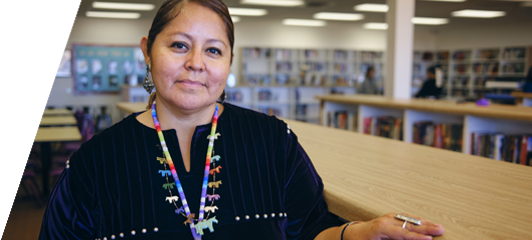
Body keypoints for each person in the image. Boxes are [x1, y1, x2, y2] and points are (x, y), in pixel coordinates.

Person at [39, 0, 444, 239]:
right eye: (179, 45)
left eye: (213, 51)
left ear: (230, 61)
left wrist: (357, 232)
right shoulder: (94, 163)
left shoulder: (272, 141)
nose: (196, 63)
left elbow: (310, 231)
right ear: (148, 52)